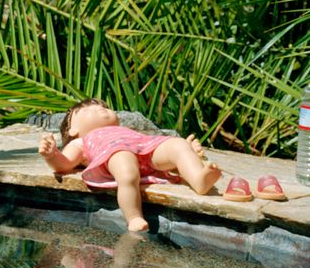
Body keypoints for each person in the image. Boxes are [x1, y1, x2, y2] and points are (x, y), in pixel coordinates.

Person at [37, 98, 222, 232]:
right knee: (126, 168)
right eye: (90, 109)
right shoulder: (80, 141)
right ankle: (133, 216)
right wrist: (52, 155)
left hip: (147, 150)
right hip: (116, 155)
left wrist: (187, 151)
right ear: (73, 129)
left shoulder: (123, 130)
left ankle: (198, 178)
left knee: (177, 144)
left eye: (103, 106)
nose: (100, 108)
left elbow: (148, 143)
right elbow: (64, 165)